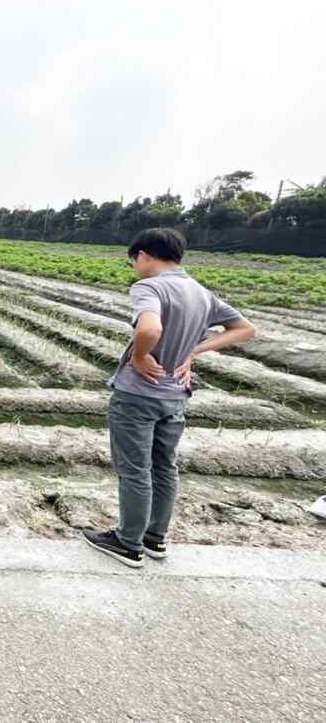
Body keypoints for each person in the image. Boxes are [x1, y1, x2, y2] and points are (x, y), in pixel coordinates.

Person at [84, 228, 257, 568]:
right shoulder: (201, 293)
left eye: (135, 261)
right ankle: (155, 538)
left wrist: (139, 356)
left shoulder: (150, 286)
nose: (136, 267)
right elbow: (246, 330)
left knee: (135, 469)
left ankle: (128, 542)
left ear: (144, 255)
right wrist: (193, 351)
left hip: (138, 394)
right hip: (175, 396)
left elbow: (149, 329)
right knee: (165, 467)